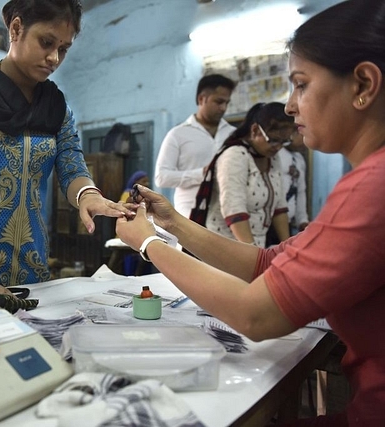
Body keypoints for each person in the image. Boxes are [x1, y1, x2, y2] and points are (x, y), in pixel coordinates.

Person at [116, 1, 385, 424]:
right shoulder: (235, 154)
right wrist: (172, 224)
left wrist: (148, 242)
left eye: (300, 85)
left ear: (363, 84)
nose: (291, 107)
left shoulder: (372, 187)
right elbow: (266, 260)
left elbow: (254, 314)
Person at [0, 0, 131, 296]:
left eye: (64, 49)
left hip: (29, 265)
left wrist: (88, 195)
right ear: (16, 28)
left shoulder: (56, 106)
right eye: (46, 42)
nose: (54, 58)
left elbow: (72, 165)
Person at [191, 102, 292, 247]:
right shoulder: (235, 155)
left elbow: (279, 207)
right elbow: (234, 211)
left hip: (257, 246)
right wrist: (253, 255)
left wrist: (287, 247)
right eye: (274, 140)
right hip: (226, 246)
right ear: (255, 130)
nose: (278, 147)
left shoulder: (272, 157)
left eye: (284, 142)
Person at [154, 74, 237, 218]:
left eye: (227, 103)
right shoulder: (178, 134)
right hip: (189, 215)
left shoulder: (233, 134)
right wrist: (201, 174)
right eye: (219, 101)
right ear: (201, 99)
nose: (223, 108)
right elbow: (161, 177)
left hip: (228, 215)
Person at [278, 131, 310, 234]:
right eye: (303, 134)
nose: (305, 140)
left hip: (288, 223)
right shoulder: (276, 154)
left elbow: (300, 191)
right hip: (270, 222)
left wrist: (302, 220)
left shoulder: (299, 159)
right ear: (292, 133)